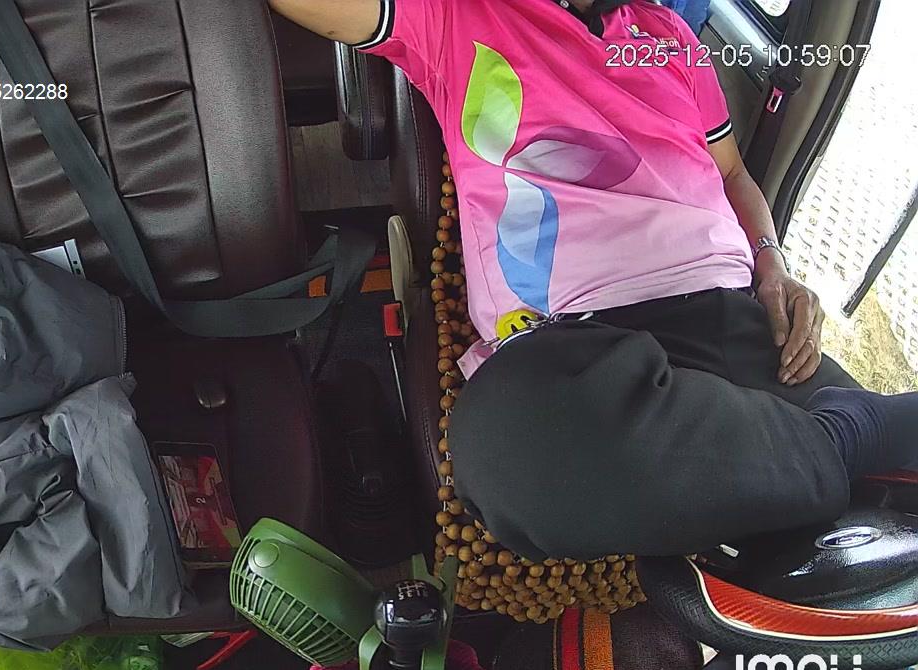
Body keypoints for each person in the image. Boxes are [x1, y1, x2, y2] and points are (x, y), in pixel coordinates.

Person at [269, 0, 918, 560]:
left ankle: (822, 451)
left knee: (889, 540)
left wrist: (774, 262)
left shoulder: (670, 35)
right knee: (511, 452)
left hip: (727, 313)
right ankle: (845, 436)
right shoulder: (454, 18)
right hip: (571, 345)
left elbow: (731, 173)